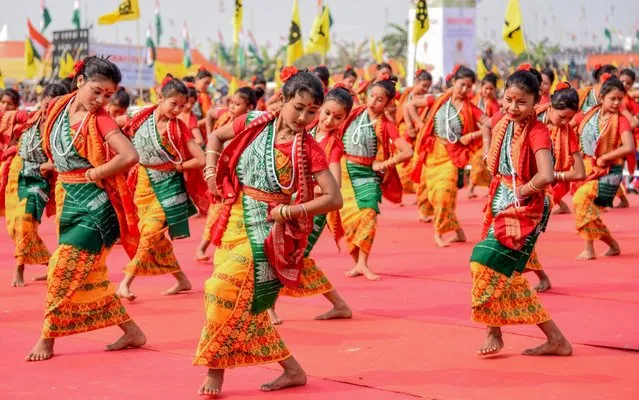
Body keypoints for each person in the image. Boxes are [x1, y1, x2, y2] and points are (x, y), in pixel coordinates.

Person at [193, 67, 342, 396]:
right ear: (283, 100)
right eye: (298, 107)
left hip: (274, 232)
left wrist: (289, 210)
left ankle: (215, 370)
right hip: (237, 219)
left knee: (220, 289)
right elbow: (216, 136)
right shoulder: (254, 123)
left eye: (312, 111)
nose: (304, 117)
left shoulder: (309, 149)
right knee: (246, 305)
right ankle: (292, 369)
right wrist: (210, 170)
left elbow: (334, 198)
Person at [26, 56, 146, 362]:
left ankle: (47, 338)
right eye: (97, 91)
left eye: (108, 95)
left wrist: (95, 173)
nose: (100, 100)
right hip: (69, 199)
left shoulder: (101, 119)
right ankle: (132, 332)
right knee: (89, 276)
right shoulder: (57, 107)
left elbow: (129, 155)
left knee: (60, 269)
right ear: (80, 82)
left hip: (95, 207)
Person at [471, 66, 572, 357]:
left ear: (535, 101)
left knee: (483, 262)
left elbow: (547, 175)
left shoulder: (537, 132)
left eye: (521, 102)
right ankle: (542, 338)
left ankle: (547, 338)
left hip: (525, 207)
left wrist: (521, 191)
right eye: (509, 100)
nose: (512, 107)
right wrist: (487, 149)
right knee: (502, 272)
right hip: (500, 199)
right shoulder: (503, 121)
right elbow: (486, 124)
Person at [269, 85, 354, 324]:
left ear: (345, 119)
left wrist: (311, 184)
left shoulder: (333, 145)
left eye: (338, 117)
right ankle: (339, 304)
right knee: (292, 257)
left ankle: (270, 307)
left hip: (312, 211)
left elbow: (334, 185)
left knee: (286, 255)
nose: (329, 120)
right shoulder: (306, 129)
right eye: (326, 113)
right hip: (294, 204)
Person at [115, 75, 205, 300]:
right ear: (160, 97)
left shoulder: (179, 128)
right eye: (173, 103)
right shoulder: (139, 116)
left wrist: (179, 166)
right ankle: (182, 280)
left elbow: (201, 159)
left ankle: (125, 283)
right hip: (143, 183)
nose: (177, 109)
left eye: (182, 105)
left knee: (150, 234)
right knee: (156, 239)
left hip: (168, 187)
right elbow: (112, 125)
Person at [340, 74, 413, 281]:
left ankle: (363, 264)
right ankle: (357, 264)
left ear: (388, 103)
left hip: (367, 175)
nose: (373, 101)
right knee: (349, 221)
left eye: (379, 99)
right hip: (345, 173)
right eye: (371, 96)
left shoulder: (385, 124)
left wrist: (383, 164)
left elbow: (407, 151)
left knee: (369, 215)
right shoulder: (352, 113)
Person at [411, 65, 489, 247]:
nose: (465, 89)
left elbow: (488, 122)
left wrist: (472, 135)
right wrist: (418, 123)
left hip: (453, 156)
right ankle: (459, 233)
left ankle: (438, 232)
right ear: (453, 82)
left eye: (469, 87)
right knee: (435, 195)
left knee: (444, 194)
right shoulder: (438, 100)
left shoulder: (470, 108)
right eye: (462, 84)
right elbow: (411, 104)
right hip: (434, 153)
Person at [5, 83, 68, 287]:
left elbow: (69, 157)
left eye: (53, 107)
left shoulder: (61, 129)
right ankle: (50, 263)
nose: (47, 110)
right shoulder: (29, 117)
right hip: (18, 170)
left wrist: (49, 164)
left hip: (39, 178)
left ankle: (19, 267)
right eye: (45, 105)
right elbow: (7, 119)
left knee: (25, 221)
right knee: (14, 224)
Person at [527, 83, 586, 292]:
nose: (566, 122)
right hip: (522, 183)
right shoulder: (530, 119)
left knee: (525, 236)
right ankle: (538, 277)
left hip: (546, 192)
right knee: (521, 237)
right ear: (550, 107)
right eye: (563, 116)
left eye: (570, 118)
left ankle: (530, 278)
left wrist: (554, 175)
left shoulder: (567, 133)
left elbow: (580, 173)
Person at [572, 75, 635, 260]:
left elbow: (629, 147)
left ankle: (589, 250)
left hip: (610, 172)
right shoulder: (590, 114)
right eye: (612, 98)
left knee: (581, 199)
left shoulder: (621, 120)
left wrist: (605, 156)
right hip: (589, 169)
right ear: (601, 98)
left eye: (619, 99)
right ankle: (613, 245)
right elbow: (570, 123)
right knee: (587, 209)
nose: (616, 103)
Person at [196, 87, 257, 262]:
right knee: (215, 211)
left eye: (237, 104)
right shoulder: (222, 114)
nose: (232, 107)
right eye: (231, 102)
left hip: (237, 175)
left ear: (249, 108)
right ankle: (203, 247)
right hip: (219, 172)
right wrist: (210, 136)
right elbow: (209, 114)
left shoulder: (249, 125)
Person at [396, 69, 434, 196]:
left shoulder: (422, 98)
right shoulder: (407, 93)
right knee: (402, 159)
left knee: (413, 160)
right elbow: (406, 107)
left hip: (417, 133)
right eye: (423, 85)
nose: (425, 89)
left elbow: (409, 107)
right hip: (405, 131)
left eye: (428, 87)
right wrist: (409, 125)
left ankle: (413, 188)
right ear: (416, 82)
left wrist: (415, 124)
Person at [469, 73, 501, 199]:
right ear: (481, 87)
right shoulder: (474, 100)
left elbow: (494, 124)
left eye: (491, 89)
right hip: (473, 139)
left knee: (481, 162)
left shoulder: (494, 104)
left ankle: (474, 188)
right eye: (486, 88)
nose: (488, 91)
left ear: (495, 90)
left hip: (486, 140)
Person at [179, 83, 206, 147]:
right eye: (187, 102)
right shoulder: (175, 112)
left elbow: (200, 140)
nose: (189, 106)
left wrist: (182, 143)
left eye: (192, 103)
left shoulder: (191, 118)